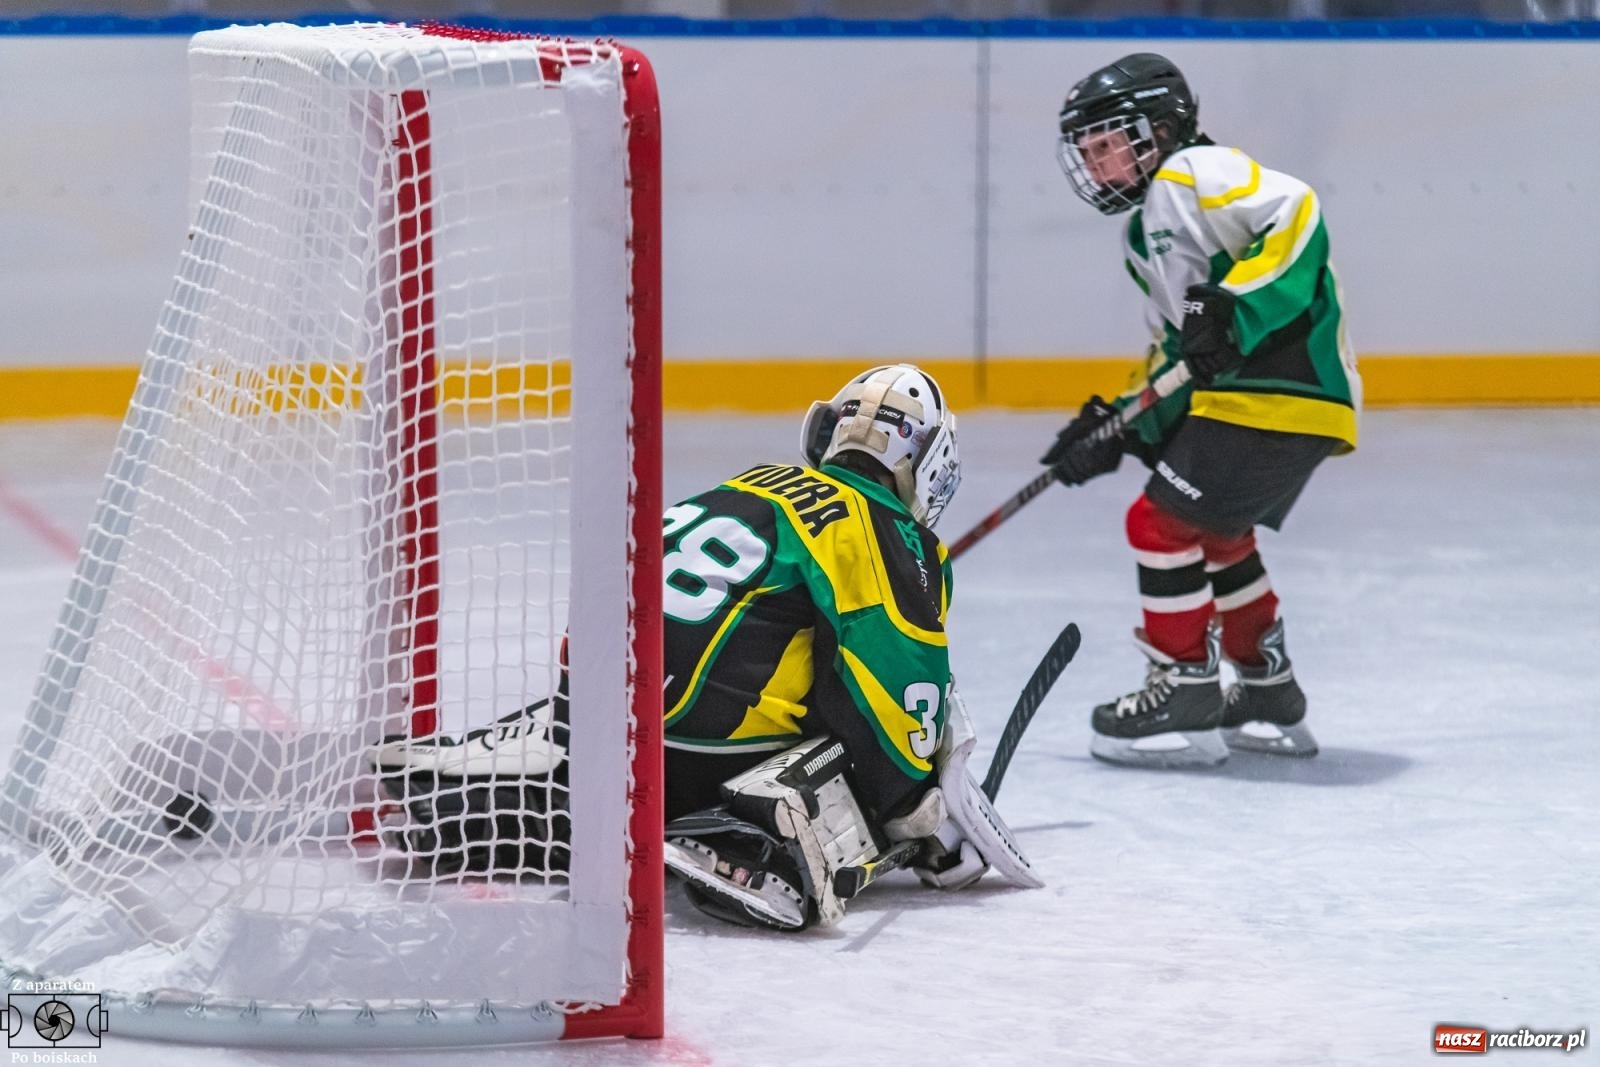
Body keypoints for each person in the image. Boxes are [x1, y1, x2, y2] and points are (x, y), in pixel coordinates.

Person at [373, 364, 1040, 930]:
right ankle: (747, 835)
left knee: (645, 742)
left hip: (600, 714)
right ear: (932, 467)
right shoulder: (887, 529)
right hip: (699, 749)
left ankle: (463, 807)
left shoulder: (752, 483)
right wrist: (919, 810)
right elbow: (901, 699)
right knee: (862, 741)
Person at [1043, 53, 1361, 769]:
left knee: (1156, 521)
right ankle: (1265, 684)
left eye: (1107, 144)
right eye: (1087, 153)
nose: (1096, 165)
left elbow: (1296, 210)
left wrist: (1236, 305)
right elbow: (1183, 352)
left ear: (1159, 127)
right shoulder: (1142, 233)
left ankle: (1184, 682)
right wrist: (1120, 423)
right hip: (1267, 396)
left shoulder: (1194, 173)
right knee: (1217, 532)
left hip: (1283, 383)